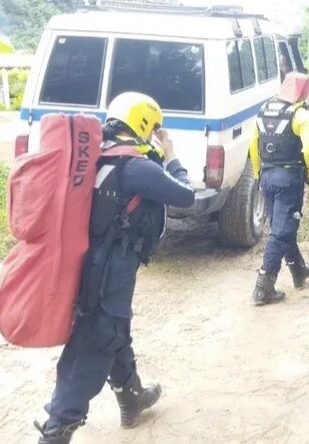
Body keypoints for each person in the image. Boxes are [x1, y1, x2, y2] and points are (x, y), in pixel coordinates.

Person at [36, 92, 195, 444]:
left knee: (113, 328)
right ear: (144, 124)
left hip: (85, 261)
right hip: (112, 269)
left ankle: (132, 398)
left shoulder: (93, 156)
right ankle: (57, 429)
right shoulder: (135, 166)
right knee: (99, 338)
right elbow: (186, 194)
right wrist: (171, 155)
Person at [249, 72, 309, 305]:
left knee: (281, 225)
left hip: (267, 176)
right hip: (289, 178)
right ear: (303, 93)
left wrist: (258, 173)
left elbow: (254, 145)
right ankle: (264, 286)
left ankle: (299, 270)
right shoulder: (301, 115)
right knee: (281, 231)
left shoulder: (264, 111)